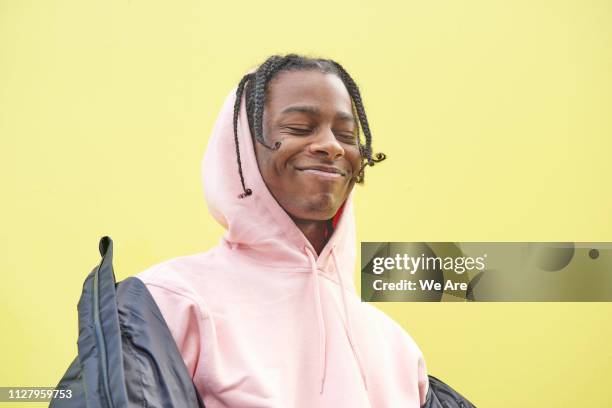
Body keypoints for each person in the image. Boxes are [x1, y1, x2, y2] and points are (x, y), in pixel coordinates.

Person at [136, 54, 429, 407]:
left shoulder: (397, 347)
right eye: (300, 128)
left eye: (346, 134)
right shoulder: (173, 302)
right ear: (242, 148)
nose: (331, 145)